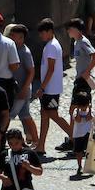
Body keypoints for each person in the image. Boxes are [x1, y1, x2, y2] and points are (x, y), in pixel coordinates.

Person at [35, 19, 73, 154]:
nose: (41, 36)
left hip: (51, 89)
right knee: (44, 115)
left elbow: (50, 69)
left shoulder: (51, 46)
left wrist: (42, 87)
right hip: (50, 88)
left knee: (53, 115)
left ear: (49, 31)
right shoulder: (52, 44)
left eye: (42, 33)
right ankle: (41, 145)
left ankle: (76, 139)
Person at [4, 23, 41, 148]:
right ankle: (34, 140)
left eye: (13, 36)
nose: (11, 38)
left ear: (21, 38)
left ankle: (36, 141)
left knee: (12, 115)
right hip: (17, 89)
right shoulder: (13, 49)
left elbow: (31, 72)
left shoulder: (25, 52)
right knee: (25, 115)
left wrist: (24, 89)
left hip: (22, 90)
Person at [67, 17, 95, 103]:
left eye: (70, 29)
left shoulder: (83, 42)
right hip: (79, 77)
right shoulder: (76, 42)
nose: (68, 31)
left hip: (84, 79)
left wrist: (87, 71)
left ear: (76, 29)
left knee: (82, 105)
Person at [70, 92, 93, 174]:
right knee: (78, 151)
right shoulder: (76, 112)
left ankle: (89, 165)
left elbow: (89, 118)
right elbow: (78, 119)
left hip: (88, 133)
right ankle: (79, 165)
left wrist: (89, 110)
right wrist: (79, 111)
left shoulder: (90, 111)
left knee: (89, 150)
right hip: (78, 134)